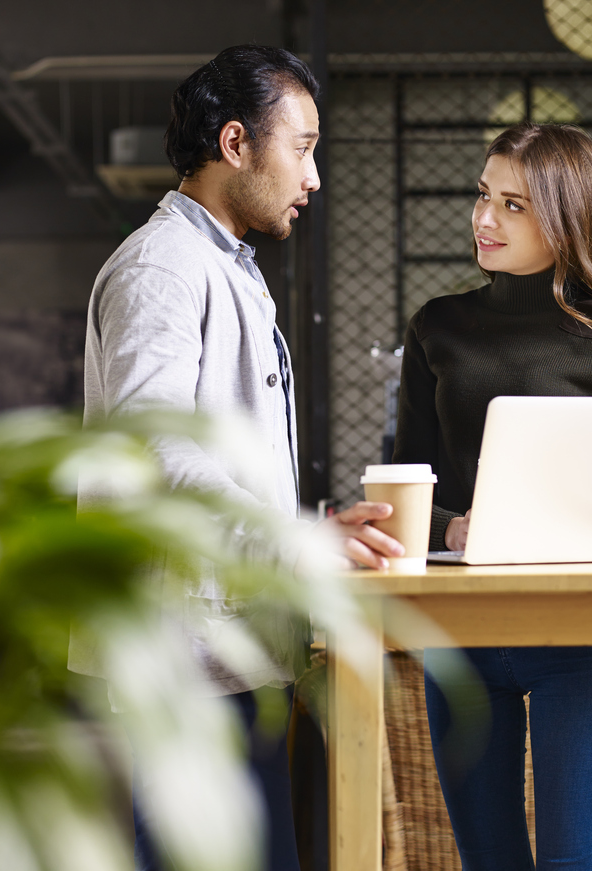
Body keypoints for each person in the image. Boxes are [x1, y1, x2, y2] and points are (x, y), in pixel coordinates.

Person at [72, 45, 402, 871]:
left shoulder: (221, 262)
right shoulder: (162, 269)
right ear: (234, 145)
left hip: (230, 650)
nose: (313, 175)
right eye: (303, 145)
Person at [393, 122, 592, 870]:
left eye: (513, 204)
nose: (483, 218)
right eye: (483, 195)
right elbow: (406, 485)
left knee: (575, 863)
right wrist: (451, 532)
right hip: (460, 636)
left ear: (568, 217)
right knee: (490, 862)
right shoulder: (437, 327)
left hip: (578, 638)